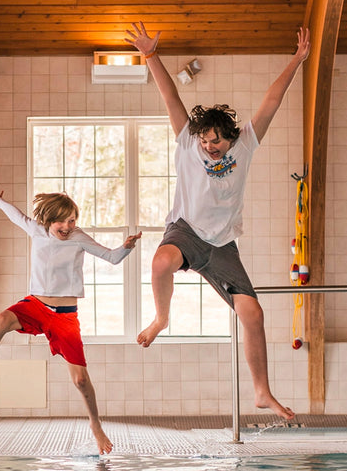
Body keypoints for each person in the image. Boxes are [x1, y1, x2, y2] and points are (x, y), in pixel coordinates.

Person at [125, 22, 311, 420]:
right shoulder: (188, 143)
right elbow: (171, 96)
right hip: (187, 231)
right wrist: (151, 56)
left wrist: (297, 60)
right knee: (161, 262)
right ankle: (162, 318)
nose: (209, 148)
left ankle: (262, 392)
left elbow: (272, 101)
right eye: (205, 140)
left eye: (216, 141)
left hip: (223, 243)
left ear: (231, 137)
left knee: (253, 314)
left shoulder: (245, 143)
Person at [0, 189, 142, 455]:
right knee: (2, 317)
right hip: (36, 306)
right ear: (48, 220)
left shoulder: (78, 238)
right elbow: (15, 215)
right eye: (61, 221)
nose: (67, 226)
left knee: (80, 381)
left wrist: (127, 246)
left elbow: (111, 257)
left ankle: (95, 424)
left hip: (64, 316)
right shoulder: (36, 230)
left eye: (72, 220)